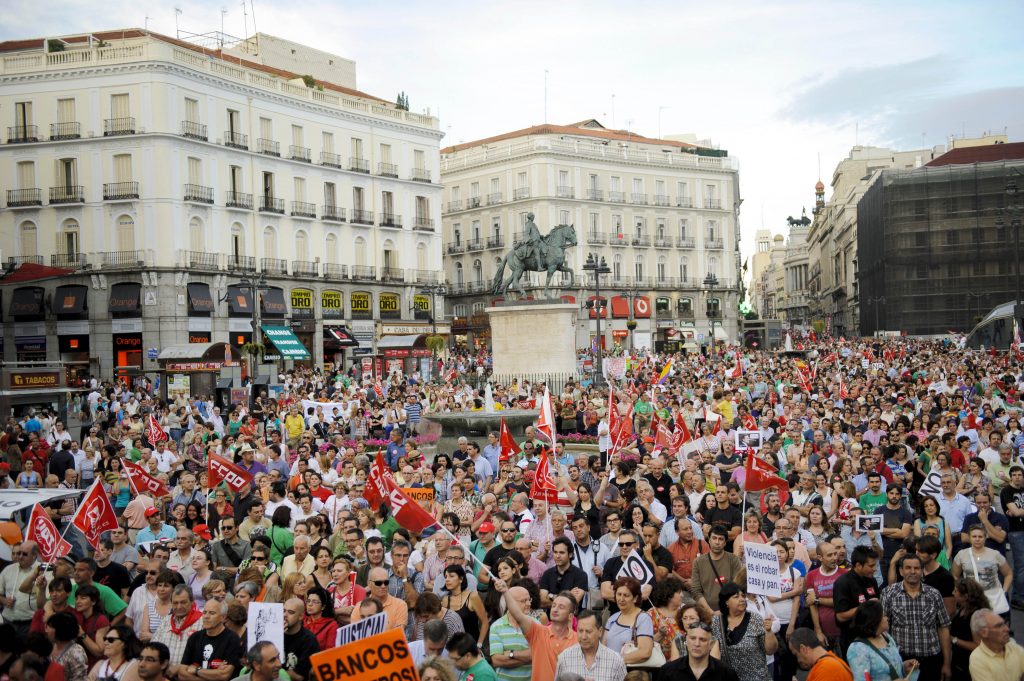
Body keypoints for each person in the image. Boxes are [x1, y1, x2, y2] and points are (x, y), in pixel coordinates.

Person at [880, 553, 951, 681]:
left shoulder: (934, 594)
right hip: (901, 660)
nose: (913, 571)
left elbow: (943, 628)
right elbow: (882, 630)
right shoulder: (888, 593)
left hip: (931, 661)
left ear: (922, 571)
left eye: (917, 568)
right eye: (908, 568)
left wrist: (946, 664)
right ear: (901, 571)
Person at [493, 577, 578, 681]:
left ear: (570, 616)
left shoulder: (578, 640)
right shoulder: (538, 632)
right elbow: (518, 615)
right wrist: (506, 591)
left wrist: (513, 654)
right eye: (554, 605)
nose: (555, 609)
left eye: (561, 607)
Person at [710, 583, 773, 681]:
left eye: (742, 596)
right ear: (726, 602)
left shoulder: (755, 619)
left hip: (757, 678)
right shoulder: (716, 622)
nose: (742, 599)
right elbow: (713, 653)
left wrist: (769, 632)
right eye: (736, 597)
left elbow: (770, 650)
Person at [846, 600, 919, 681]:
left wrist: (904, 667)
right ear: (875, 621)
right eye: (884, 615)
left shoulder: (885, 636)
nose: (887, 618)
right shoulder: (857, 649)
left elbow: (890, 670)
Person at [951, 525, 1012, 619]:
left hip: (994, 598)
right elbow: (955, 575)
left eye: (980, 536)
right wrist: (963, 592)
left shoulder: (995, 554)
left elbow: (1008, 574)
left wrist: (1004, 591)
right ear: (969, 537)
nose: (977, 539)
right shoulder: (961, 555)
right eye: (974, 536)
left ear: (985, 537)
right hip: (971, 599)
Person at [691, 525, 746, 621]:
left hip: (730, 611)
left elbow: (738, 587)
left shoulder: (733, 560)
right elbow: (696, 591)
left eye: (720, 539)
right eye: (714, 538)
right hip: (706, 612)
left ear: (725, 543)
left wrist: (724, 610)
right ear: (709, 540)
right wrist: (709, 611)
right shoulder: (698, 562)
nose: (717, 542)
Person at [178, 600, 242, 681]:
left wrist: (196, 670)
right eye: (204, 612)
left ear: (223, 617)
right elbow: (182, 673)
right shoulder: (194, 637)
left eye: (212, 613)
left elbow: (224, 675)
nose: (206, 616)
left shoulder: (232, 639)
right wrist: (213, 674)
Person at [554, 609, 626, 681]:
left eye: (588, 631)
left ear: (600, 632)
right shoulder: (564, 658)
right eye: (580, 631)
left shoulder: (616, 661)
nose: (583, 636)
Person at [833, 546, 880, 655]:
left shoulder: (871, 580)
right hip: (852, 639)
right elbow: (840, 616)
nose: (875, 569)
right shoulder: (843, 583)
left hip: (872, 636)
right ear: (858, 565)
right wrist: (865, 606)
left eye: (875, 565)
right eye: (871, 565)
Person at [658, 619, 739, 681]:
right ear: (686, 641)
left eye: (702, 639)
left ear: (710, 644)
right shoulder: (668, 671)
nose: (697, 644)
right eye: (693, 638)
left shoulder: (726, 673)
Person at [152, 585, 203, 674]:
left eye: (183, 602)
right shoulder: (166, 621)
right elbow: (153, 648)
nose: (179, 607)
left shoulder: (202, 622)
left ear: (192, 602)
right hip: (164, 674)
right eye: (175, 603)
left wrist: (182, 668)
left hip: (189, 676)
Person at [806, 539, 846, 649]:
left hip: (843, 631)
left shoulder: (845, 574)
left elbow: (842, 602)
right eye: (829, 555)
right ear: (820, 558)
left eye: (835, 554)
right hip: (823, 632)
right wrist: (818, 631)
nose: (834, 558)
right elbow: (811, 604)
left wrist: (817, 599)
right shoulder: (811, 575)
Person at [488, 585, 532, 681]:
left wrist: (511, 654)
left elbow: (537, 654)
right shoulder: (496, 626)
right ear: (510, 602)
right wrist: (527, 658)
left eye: (529, 600)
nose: (528, 603)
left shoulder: (536, 624)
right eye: (523, 601)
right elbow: (496, 660)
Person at [968, 608, 1024, 681]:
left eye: (1005, 623)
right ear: (984, 633)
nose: (1007, 629)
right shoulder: (977, 659)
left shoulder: (1013, 646)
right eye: (999, 626)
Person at [950, 578, 989, 680]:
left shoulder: (975, 616)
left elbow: (977, 645)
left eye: (956, 591)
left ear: (965, 596)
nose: (953, 593)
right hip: (959, 661)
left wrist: (953, 640)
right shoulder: (963, 608)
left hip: (969, 665)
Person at [787, 627, 852, 681]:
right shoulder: (827, 664)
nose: (798, 661)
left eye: (796, 654)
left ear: (803, 649)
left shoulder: (827, 669)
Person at [281, 598, 318, 681]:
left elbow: (298, 676)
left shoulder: (309, 640)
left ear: (301, 616)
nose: (285, 615)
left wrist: (271, 672)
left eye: (290, 612)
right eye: (283, 611)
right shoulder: (275, 633)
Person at [45, 611, 89, 681]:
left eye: (50, 627)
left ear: (60, 630)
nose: (46, 630)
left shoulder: (76, 652)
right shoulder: (50, 646)